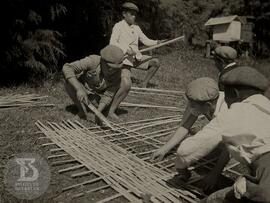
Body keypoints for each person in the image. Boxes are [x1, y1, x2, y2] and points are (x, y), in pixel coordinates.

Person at [198, 66, 270, 203]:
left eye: (227, 95)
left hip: (262, 186)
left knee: (213, 199)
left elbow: (265, 196)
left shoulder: (236, 114)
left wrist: (248, 187)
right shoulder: (264, 110)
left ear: (236, 94)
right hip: (261, 176)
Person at [151, 77, 228, 180]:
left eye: (193, 105)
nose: (190, 108)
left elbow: (230, 146)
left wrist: (214, 174)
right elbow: (186, 126)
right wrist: (164, 149)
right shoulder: (207, 102)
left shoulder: (225, 114)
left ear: (208, 105)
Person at [62, 45, 126, 121]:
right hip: (84, 91)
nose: (112, 71)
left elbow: (109, 94)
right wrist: (79, 89)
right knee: (69, 83)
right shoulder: (92, 61)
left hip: (98, 97)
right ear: (102, 61)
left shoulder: (117, 72)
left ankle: (109, 112)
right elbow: (67, 67)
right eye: (109, 68)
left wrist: (98, 112)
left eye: (115, 69)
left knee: (126, 82)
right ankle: (82, 112)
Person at [110, 1, 164, 91]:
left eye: (135, 15)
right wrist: (126, 50)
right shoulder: (118, 26)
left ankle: (143, 85)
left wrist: (157, 42)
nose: (134, 17)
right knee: (125, 83)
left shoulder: (136, 28)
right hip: (124, 60)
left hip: (136, 58)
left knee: (156, 62)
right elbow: (112, 42)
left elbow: (146, 40)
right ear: (124, 14)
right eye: (131, 14)